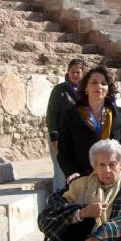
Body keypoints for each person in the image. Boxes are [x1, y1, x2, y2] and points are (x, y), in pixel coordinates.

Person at [58, 66, 121, 184]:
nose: (99, 86)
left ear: (108, 89)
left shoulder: (119, 115)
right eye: (94, 82)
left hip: (115, 179)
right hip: (83, 180)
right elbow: (64, 151)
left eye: (103, 83)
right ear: (86, 87)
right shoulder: (71, 116)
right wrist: (71, 172)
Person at [46, 58, 86, 191]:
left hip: (76, 138)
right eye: (72, 72)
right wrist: (54, 137)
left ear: (83, 73)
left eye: (78, 72)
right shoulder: (59, 91)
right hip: (60, 137)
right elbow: (51, 115)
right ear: (68, 72)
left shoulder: (85, 92)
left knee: (74, 171)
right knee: (60, 171)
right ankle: (57, 204)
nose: (75, 75)